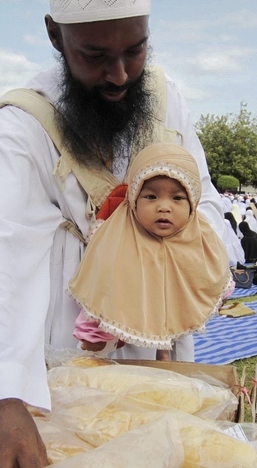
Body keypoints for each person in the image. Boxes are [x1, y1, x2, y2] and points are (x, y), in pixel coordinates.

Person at [0, 0, 226, 468]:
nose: (120, 75)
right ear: (55, 35)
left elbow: (196, 192)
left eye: (136, 49)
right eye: (95, 55)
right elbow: (4, 248)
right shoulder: (24, 121)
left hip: (159, 325)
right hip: (71, 331)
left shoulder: (168, 96)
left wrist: (203, 270)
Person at [68, 143, 230, 360]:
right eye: (151, 197)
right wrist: (95, 335)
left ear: (193, 204)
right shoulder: (117, 239)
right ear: (133, 200)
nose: (164, 207)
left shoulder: (198, 238)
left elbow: (213, 273)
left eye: (178, 198)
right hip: (122, 346)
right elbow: (101, 288)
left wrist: (221, 293)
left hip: (173, 337)